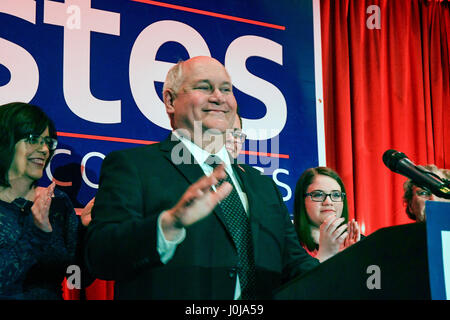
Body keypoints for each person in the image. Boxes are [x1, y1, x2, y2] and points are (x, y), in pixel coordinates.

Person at [85, 56, 320, 300]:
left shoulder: (263, 185)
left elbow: (295, 263)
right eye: (204, 87)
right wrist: (168, 224)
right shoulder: (133, 166)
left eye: (226, 89)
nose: (219, 97)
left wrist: (349, 270)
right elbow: (100, 255)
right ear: (170, 100)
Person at [0, 102, 90, 299]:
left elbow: (78, 275)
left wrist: (86, 231)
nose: (44, 149)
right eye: (33, 139)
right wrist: (37, 232)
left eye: (48, 142)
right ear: (5, 140)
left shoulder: (57, 202)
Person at [293, 167, 361, 261]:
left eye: (336, 195)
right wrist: (325, 255)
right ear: (302, 200)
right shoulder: (288, 244)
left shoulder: (357, 241)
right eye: (318, 195)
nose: (328, 202)